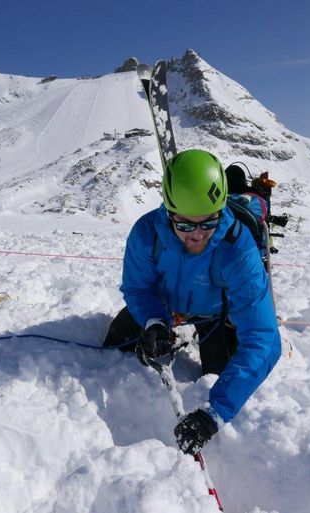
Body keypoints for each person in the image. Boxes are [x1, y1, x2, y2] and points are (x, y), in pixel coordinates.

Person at [103, 149, 281, 455]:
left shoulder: (238, 249)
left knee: (219, 374)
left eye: (208, 223)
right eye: (185, 225)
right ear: (168, 210)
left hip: (215, 316)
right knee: (114, 346)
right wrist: (154, 320)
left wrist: (213, 415)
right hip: (168, 307)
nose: (197, 235)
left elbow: (263, 339)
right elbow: (138, 287)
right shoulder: (147, 233)